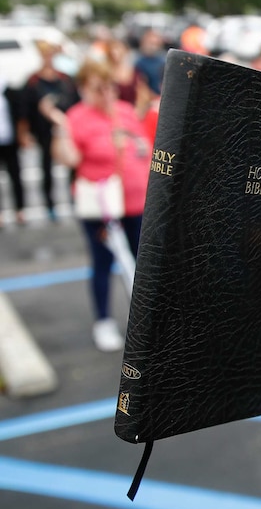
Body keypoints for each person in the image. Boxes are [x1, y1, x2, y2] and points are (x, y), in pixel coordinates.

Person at [40, 60, 152, 352]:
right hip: (103, 207)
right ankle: (103, 321)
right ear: (84, 89)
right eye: (97, 88)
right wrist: (61, 128)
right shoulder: (77, 118)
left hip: (137, 202)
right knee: (103, 262)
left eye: (108, 86)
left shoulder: (125, 112)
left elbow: (145, 148)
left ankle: (144, 322)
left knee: (142, 263)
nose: (105, 93)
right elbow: (70, 159)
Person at [18, 38, 79, 222]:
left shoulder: (65, 78)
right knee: (46, 166)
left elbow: (75, 102)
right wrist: (24, 132)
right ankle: (50, 205)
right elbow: (24, 109)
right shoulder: (33, 80)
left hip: (67, 127)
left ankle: (74, 199)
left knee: (72, 165)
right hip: (44, 130)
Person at [0, 75, 25, 227]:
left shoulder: (8, 90)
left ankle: (19, 210)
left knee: (15, 175)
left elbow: (19, 112)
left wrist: (21, 133)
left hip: (9, 139)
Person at [134, 29, 166, 97]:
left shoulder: (164, 61)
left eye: (156, 44)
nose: (153, 47)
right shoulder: (137, 62)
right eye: (151, 43)